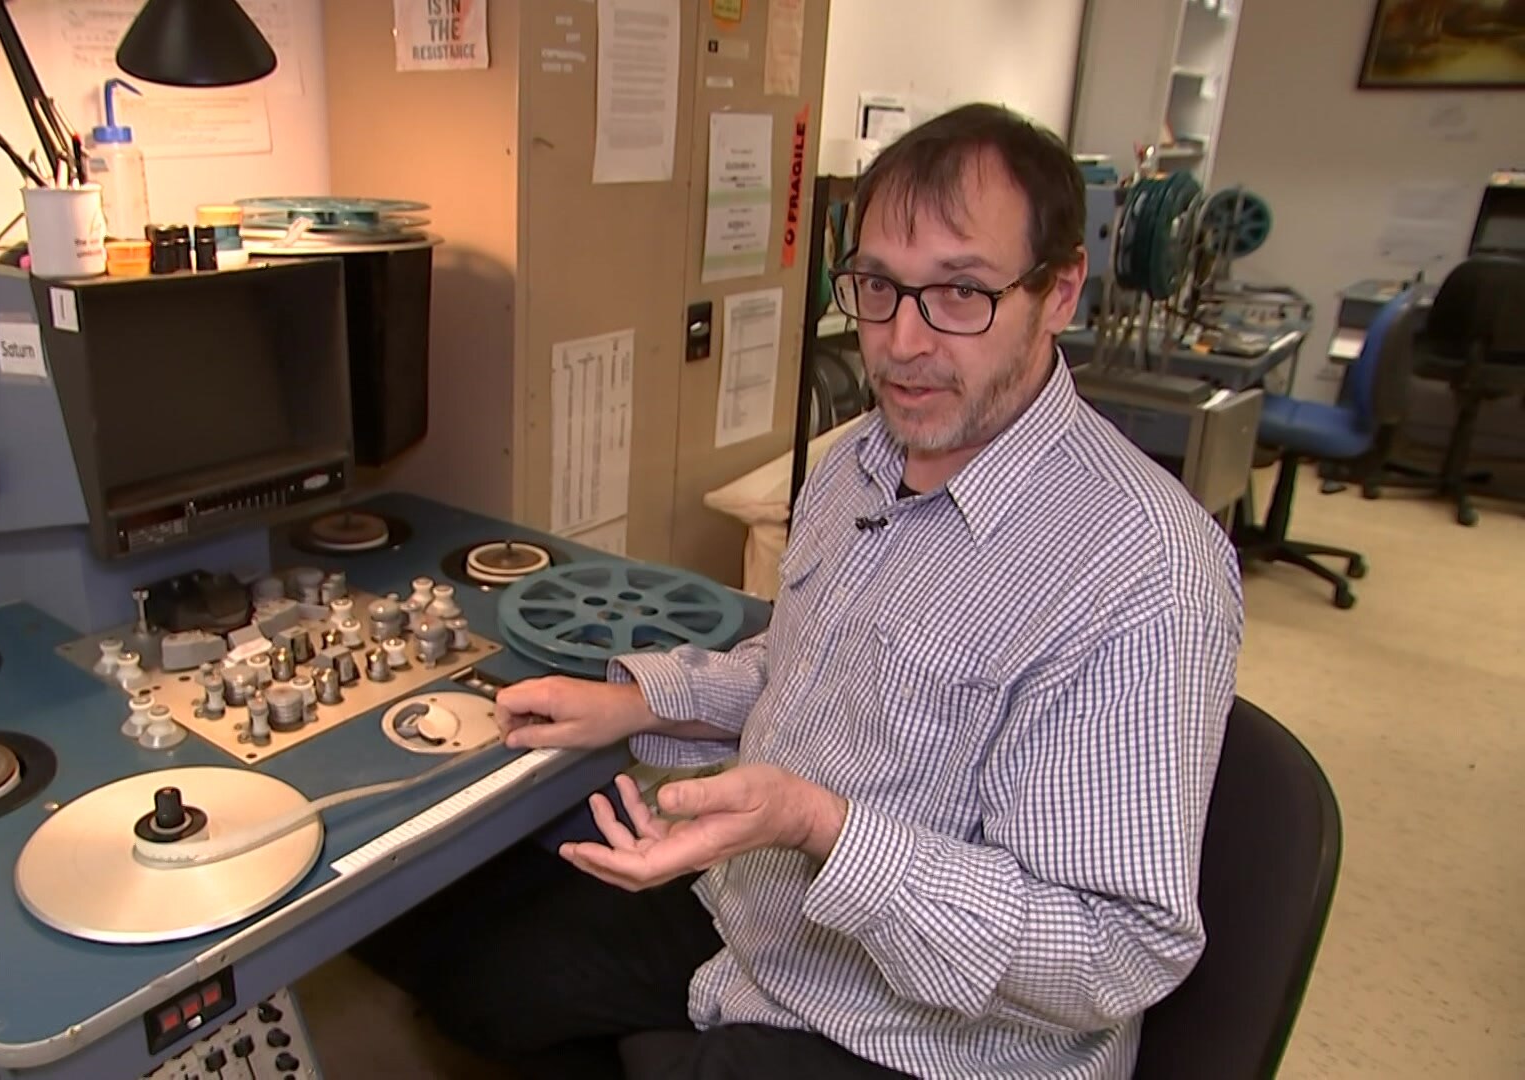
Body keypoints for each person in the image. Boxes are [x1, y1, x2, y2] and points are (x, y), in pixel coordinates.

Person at [355, 103, 1243, 1080]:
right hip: (757, 922)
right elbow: (801, 667)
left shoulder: (1147, 572)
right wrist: (635, 703)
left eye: (960, 293)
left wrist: (821, 827)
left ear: (1061, 288)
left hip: (932, 1044)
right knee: (476, 974)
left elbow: (1115, 951)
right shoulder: (862, 459)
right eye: (877, 287)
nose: (903, 343)